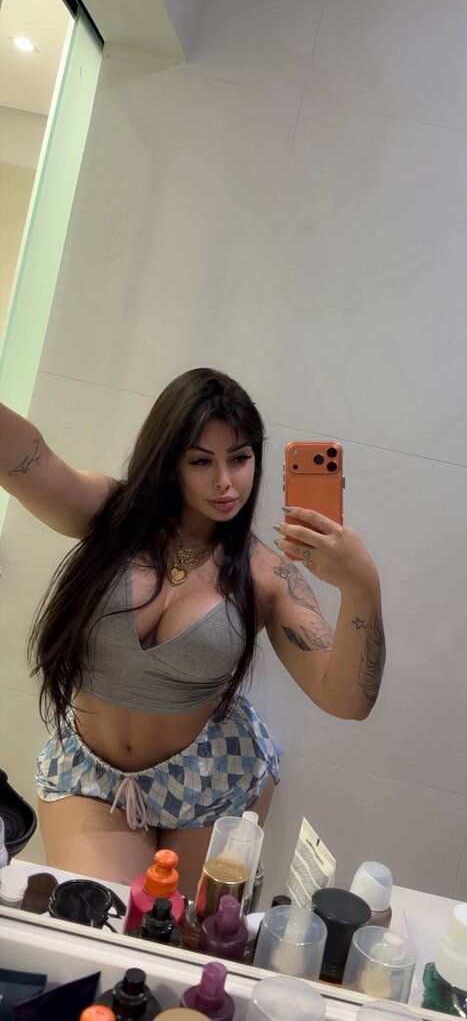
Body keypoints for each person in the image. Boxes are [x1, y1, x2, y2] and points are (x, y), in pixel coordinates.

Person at [0, 368, 385, 898]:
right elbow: (31, 460)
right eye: (202, 461)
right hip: (91, 774)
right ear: (170, 463)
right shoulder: (110, 515)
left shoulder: (266, 576)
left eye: (240, 458)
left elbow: (347, 700)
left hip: (212, 778)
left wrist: (362, 586)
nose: (226, 482)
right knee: (101, 922)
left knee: (182, 936)